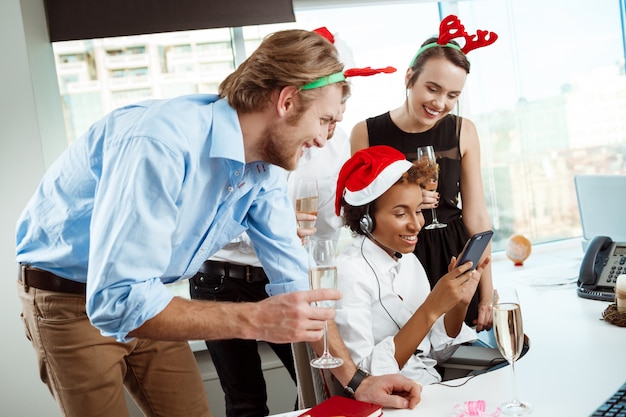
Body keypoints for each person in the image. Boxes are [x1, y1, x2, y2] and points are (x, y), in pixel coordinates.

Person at [15, 29, 420, 417]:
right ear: (288, 101)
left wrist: (356, 381)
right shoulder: (161, 144)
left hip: (149, 296)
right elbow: (114, 300)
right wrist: (257, 318)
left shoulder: (265, 169)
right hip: (69, 300)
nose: (327, 139)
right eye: (325, 120)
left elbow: (296, 281)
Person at [190, 101, 350, 417]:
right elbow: (210, 225)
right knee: (245, 399)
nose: (326, 131)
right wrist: (275, 229)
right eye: (325, 116)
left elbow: (331, 224)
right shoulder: (261, 137)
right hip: (221, 279)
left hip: (286, 277)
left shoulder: (338, 143)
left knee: (316, 381)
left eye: (337, 115)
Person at [350, 15, 498, 331]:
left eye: (452, 95)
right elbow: (362, 214)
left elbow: (478, 219)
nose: (440, 103)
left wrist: (486, 294)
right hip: (399, 262)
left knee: (464, 358)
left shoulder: (464, 131)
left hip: (456, 260)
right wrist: (410, 199)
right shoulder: (365, 133)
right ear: (409, 78)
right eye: (432, 88)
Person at [333, 145, 490, 384]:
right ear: (365, 220)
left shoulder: (408, 261)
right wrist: (431, 309)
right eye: (400, 214)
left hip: (430, 388)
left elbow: (434, 354)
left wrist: (459, 305)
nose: (417, 224)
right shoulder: (349, 273)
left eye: (418, 210)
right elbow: (365, 378)